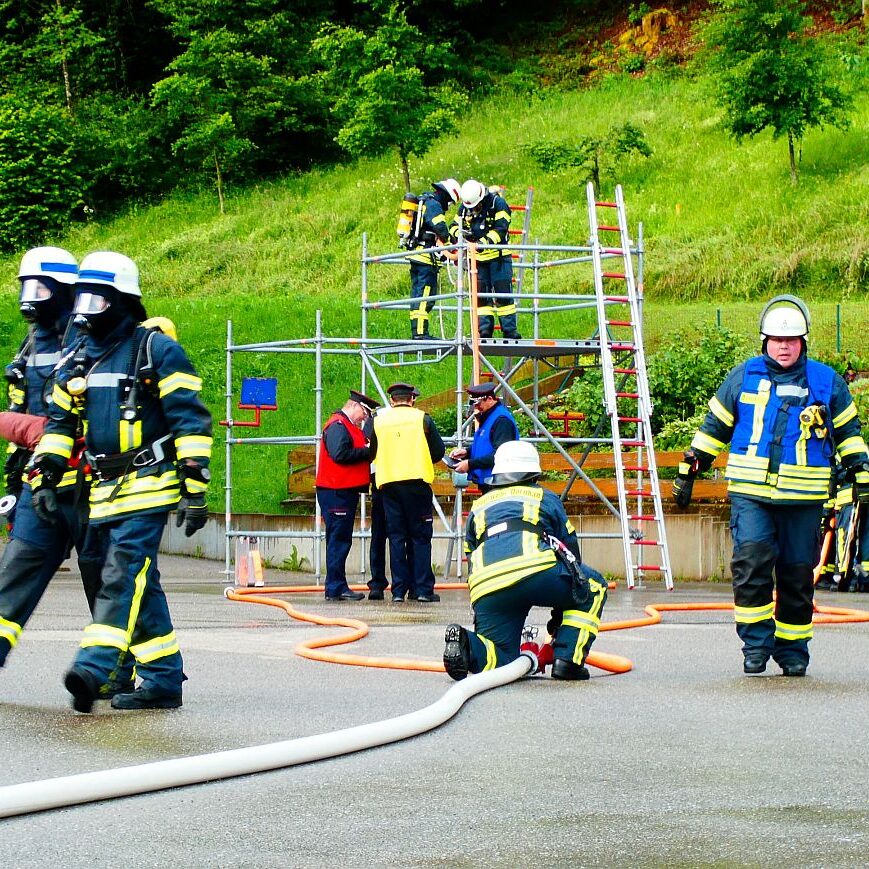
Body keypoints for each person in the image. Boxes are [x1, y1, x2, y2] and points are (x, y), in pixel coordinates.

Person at [31, 251, 213, 712]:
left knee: (122, 573)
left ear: (122, 300)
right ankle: (163, 677)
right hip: (101, 491)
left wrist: (195, 488)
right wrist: (48, 474)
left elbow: (190, 421)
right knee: (138, 584)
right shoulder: (81, 359)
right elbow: (59, 422)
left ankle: (95, 669)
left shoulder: (156, 350)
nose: (86, 310)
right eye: (82, 299)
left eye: (97, 299)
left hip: (149, 483)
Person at [673, 295, 869, 677]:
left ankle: (793, 649)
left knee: (797, 577)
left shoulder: (827, 383)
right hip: (752, 495)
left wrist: (860, 470)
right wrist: (690, 467)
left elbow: (849, 434)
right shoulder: (743, 376)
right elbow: (715, 428)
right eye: (777, 340)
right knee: (751, 565)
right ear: (764, 341)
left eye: (792, 340)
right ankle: (756, 644)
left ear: (803, 342)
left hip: (804, 499)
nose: (784, 346)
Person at [0, 247, 116, 680]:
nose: (31, 297)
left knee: (103, 581)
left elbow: (87, 418)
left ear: (67, 291)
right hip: (41, 483)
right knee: (15, 575)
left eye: (40, 287)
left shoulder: (96, 342)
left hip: (91, 485)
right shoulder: (30, 346)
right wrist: (14, 482)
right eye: (26, 286)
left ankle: (116, 671)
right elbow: (25, 413)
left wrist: (19, 426)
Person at [443, 440, 608, 681]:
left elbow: (471, 554)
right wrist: (562, 613)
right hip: (535, 571)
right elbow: (571, 553)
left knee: (503, 658)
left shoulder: (479, 506)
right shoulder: (544, 498)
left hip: (486, 584)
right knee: (595, 586)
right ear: (533, 472)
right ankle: (568, 661)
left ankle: (467, 645)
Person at [370, 382, 445, 602]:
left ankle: (398, 591)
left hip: (389, 485)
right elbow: (439, 451)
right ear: (411, 399)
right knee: (420, 537)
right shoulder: (423, 420)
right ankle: (422, 590)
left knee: (396, 537)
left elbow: (372, 452)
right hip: (417, 483)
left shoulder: (379, 421)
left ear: (392, 400)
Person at [315, 389, 379, 601]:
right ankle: (335, 587)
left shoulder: (345, 426)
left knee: (340, 539)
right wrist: (367, 453)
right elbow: (339, 454)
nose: (365, 418)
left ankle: (337, 585)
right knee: (338, 540)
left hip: (341, 490)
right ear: (353, 406)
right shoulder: (338, 426)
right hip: (337, 490)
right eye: (364, 412)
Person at [451, 179, 520, 339]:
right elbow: (453, 226)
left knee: (504, 296)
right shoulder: (465, 207)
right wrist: (461, 237)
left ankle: (509, 331)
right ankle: (484, 330)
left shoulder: (498, 204)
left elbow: (501, 229)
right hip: (477, 261)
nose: (473, 210)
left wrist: (481, 243)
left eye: (475, 206)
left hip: (499, 258)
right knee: (481, 297)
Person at [405, 179, 461, 341]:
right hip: (426, 260)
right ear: (446, 196)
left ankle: (417, 332)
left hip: (417, 256)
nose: (449, 206)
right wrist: (450, 243)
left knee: (417, 296)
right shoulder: (434, 205)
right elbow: (441, 230)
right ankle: (421, 334)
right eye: (450, 202)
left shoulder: (424, 201)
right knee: (425, 297)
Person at [449, 382, 520, 492]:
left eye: (478, 403)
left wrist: (470, 464)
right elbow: (486, 444)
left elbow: (501, 454)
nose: (476, 408)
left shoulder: (501, 420)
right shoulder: (489, 416)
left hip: (499, 483)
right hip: (490, 481)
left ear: (490, 399)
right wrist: (467, 452)